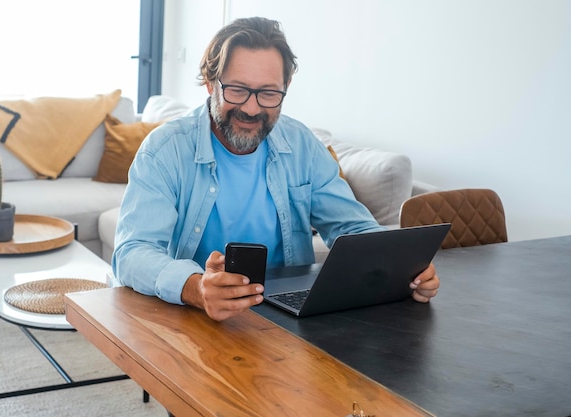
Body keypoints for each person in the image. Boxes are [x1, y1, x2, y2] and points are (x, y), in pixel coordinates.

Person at [112, 16, 440, 322]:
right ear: (211, 83)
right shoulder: (164, 150)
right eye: (237, 89)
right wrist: (196, 287)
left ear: (286, 87)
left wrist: (405, 267)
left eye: (268, 93)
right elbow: (132, 252)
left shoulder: (303, 145)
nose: (252, 108)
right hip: (194, 314)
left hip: (287, 315)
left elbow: (353, 229)